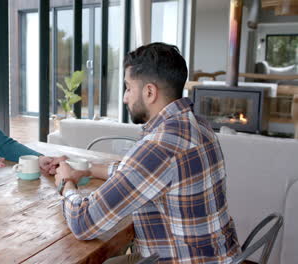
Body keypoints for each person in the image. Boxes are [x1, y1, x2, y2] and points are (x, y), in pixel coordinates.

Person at [54, 43, 240, 263]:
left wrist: (66, 183)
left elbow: (83, 223)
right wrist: (87, 170)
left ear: (150, 92)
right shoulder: (199, 126)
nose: (125, 98)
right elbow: (141, 174)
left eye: (128, 88)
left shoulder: (160, 147)